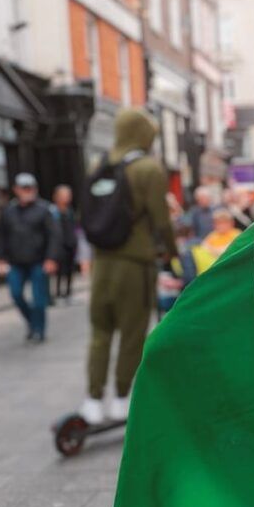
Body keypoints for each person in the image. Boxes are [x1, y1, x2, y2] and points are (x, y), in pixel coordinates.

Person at [81, 109, 178, 425]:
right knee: (132, 334)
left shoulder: (99, 165)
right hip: (134, 264)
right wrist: (172, 254)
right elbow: (161, 220)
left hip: (102, 263)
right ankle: (121, 399)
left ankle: (93, 400)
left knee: (100, 332)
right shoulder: (149, 169)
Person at [0, 173, 60, 343]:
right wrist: (1, 258)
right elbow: (3, 235)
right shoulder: (9, 211)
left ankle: (39, 330)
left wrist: (51, 258)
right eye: (24, 188)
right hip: (16, 262)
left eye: (31, 188)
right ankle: (32, 322)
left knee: (39, 300)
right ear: (16, 190)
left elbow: (54, 236)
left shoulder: (44, 210)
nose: (28, 191)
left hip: (38, 262)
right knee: (16, 294)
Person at [50, 184, 79, 302]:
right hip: (58, 247)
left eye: (68, 195)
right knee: (58, 271)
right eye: (64, 195)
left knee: (69, 271)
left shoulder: (70, 211)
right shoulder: (52, 212)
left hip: (70, 245)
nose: (67, 198)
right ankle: (57, 294)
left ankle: (67, 294)